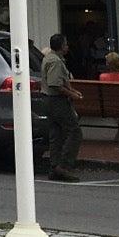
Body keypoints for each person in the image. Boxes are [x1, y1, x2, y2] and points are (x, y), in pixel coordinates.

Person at [40, 33, 82, 181]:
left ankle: (54, 165)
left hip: (48, 99)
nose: (67, 46)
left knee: (56, 134)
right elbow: (55, 84)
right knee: (74, 131)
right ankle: (64, 165)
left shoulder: (49, 58)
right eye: (65, 44)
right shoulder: (56, 62)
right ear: (61, 46)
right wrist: (71, 94)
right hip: (57, 100)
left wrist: (71, 90)